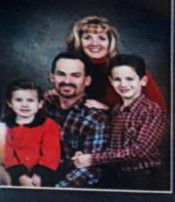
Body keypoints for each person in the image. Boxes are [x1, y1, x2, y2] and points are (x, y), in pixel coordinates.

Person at [71, 54, 167, 191]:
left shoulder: (151, 111)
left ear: (143, 80)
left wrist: (92, 158)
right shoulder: (116, 109)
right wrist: (84, 155)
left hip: (143, 178)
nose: (123, 84)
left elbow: (139, 151)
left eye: (129, 79)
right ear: (110, 81)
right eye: (117, 79)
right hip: (117, 176)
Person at [65, 16, 164, 117]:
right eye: (87, 38)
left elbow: (160, 112)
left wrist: (108, 109)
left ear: (110, 42)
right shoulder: (70, 71)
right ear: (79, 42)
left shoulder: (129, 69)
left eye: (101, 38)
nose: (94, 43)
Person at [39, 52, 110, 188]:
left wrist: (54, 192)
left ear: (87, 80)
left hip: (70, 189)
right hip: (35, 177)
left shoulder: (95, 118)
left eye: (75, 75)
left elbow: (91, 169)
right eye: (61, 74)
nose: (67, 81)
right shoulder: (40, 106)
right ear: (52, 77)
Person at [0, 79, 61, 186]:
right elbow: (7, 153)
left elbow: (51, 153)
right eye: (19, 100)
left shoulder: (49, 125)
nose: (24, 105)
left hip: (43, 175)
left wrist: (39, 175)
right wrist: (21, 176)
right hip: (13, 173)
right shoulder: (4, 125)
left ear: (40, 104)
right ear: (10, 103)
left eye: (30, 100)